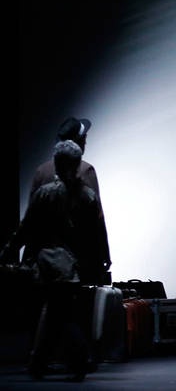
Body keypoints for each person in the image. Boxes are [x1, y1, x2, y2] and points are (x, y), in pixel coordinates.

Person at [1, 140, 111, 382]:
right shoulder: (88, 196)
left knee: (58, 314)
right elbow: (95, 233)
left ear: (58, 164)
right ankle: (45, 363)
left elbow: (26, 227)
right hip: (75, 265)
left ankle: (68, 361)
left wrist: (10, 250)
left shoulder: (45, 193)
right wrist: (101, 260)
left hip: (50, 263)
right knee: (58, 313)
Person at [30, 117, 100, 200]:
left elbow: (33, 206)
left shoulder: (41, 171)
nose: (85, 142)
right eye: (84, 137)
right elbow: (95, 206)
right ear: (79, 141)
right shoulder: (86, 170)